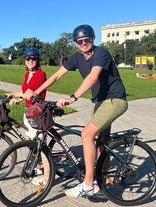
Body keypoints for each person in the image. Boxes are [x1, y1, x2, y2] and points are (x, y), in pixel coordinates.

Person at [24, 24, 128, 198]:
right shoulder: (77, 57)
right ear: (75, 43)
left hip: (115, 100)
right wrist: (36, 92)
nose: (84, 43)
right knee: (101, 142)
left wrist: (73, 97)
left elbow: (92, 77)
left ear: (93, 39)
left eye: (87, 39)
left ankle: (88, 184)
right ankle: (103, 184)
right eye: (80, 41)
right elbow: (57, 75)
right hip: (98, 102)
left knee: (86, 135)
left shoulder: (101, 53)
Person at [6, 47, 47, 140]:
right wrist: (11, 94)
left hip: (37, 112)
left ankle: (46, 155)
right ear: (25, 60)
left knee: (39, 142)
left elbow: (30, 94)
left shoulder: (41, 74)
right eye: (28, 58)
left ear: (37, 60)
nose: (30, 61)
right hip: (28, 111)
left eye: (33, 58)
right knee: (31, 139)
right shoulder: (27, 74)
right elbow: (24, 92)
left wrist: (17, 99)